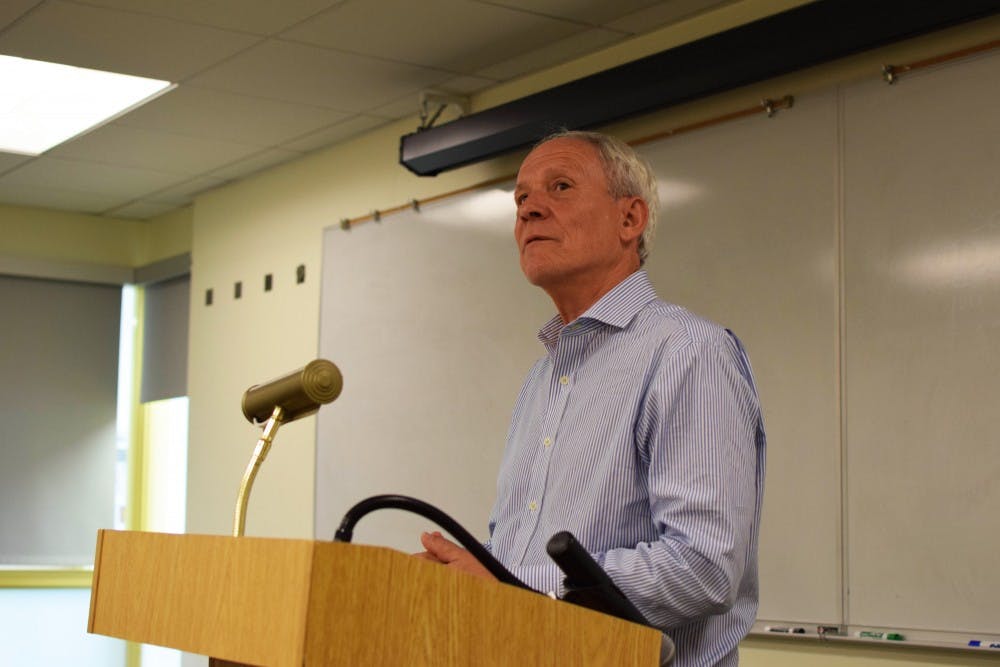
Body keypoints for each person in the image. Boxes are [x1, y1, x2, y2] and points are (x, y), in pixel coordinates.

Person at [417, 130, 766, 667]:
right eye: (520, 199)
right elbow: (517, 556)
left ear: (630, 220)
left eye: (559, 187)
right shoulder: (542, 379)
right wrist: (465, 578)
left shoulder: (689, 353)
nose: (529, 209)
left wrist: (513, 584)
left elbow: (705, 567)